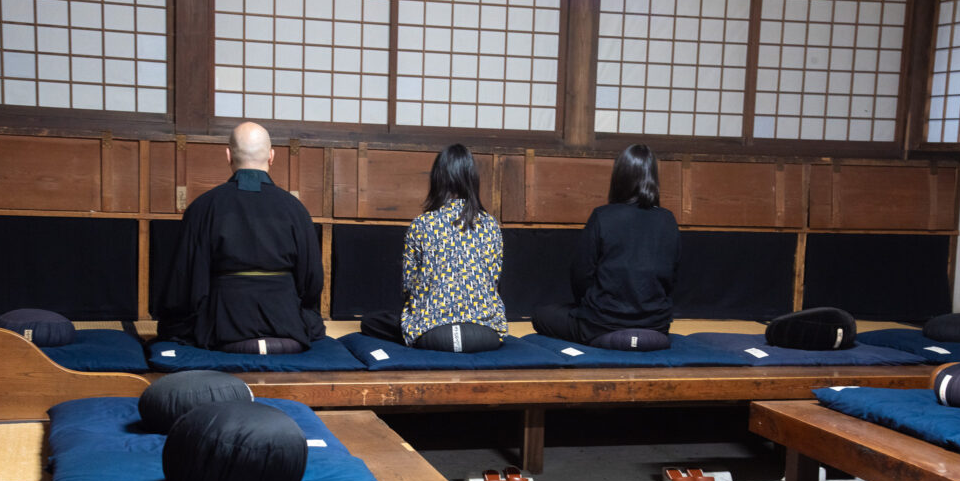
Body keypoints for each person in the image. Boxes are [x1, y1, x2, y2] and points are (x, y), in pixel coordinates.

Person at [155, 121, 326, 350]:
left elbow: (184, 280)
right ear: (271, 156)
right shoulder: (295, 209)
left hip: (223, 331)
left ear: (228, 155)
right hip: (288, 329)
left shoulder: (204, 207)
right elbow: (312, 280)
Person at [361, 144, 507, 352]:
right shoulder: (490, 225)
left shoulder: (422, 224)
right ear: (472, 179)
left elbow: (409, 286)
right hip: (485, 335)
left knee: (371, 321)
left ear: (437, 179)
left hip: (433, 333)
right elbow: (494, 279)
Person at [532, 144, 680, 345]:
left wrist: (593, 305)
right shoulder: (668, 220)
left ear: (619, 177)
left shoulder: (603, 216)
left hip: (601, 323)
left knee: (541, 314)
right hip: (655, 324)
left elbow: (581, 273)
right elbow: (671, 277)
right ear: (653, 177)